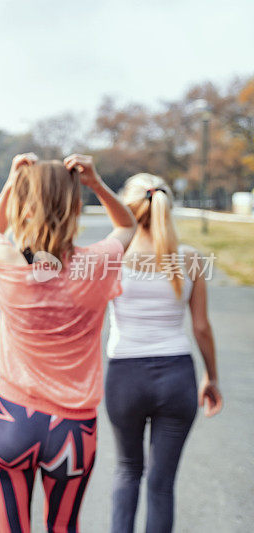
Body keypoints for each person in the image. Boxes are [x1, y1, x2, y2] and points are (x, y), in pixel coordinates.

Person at [0, 153, 136, 533]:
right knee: (63, 527)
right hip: (73, 429)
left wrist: (12, 181)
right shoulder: (97, 265)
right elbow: (127, 226)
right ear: (77, 208)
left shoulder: (4, 264)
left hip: (11, 420)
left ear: (23, 205)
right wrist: (96, 182)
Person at [105, 173, 223, 533]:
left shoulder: (113, 257)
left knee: (128, 470)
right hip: (177, 377)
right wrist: (212, 378)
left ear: (126, 208)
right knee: (161, 484)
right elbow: (201, 327)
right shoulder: (189, 258)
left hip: (124, 378)